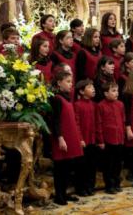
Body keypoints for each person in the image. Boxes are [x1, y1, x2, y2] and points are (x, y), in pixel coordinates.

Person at [50, 71, 83, 205]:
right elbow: (55, 121)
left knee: (68, 167)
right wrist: (60, 138)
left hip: (70, 136)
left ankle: (65, 193)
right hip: (62, 137)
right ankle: (59, 196)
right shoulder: (57, 98)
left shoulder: (67, 97)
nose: (71, 84)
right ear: (59, 83)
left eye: (71, 81)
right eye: (68, 81)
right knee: (60, 168)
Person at [96, 82, 125, 194]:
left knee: (118, 163)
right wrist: (101, 140)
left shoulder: (120, 104)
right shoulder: (101, 105)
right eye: (113, 91)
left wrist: (122, 137)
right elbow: (99, 123)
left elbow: (122, 121)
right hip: (108, 140)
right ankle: (109, 185)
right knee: (108, 164)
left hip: (119, 138)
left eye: (117, 90)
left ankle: (116, 183)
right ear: (105, 93)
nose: (116, 93)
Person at [73, 79, 97, 196]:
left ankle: (90, 187)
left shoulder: (93, 105)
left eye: (93, 87)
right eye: (90, 87)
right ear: (81, 91)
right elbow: (76, 123)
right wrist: (80, 138)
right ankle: (81, 188)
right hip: (83, 141)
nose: (93, 89)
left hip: (92, 140)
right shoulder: (77, 105)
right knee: (82, 166)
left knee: (92, 165)